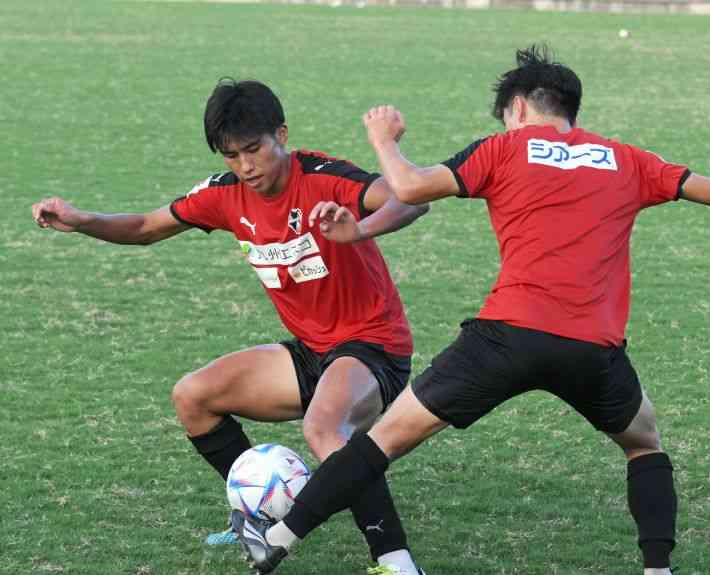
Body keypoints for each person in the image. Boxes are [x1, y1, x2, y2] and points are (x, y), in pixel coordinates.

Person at [229, 45, 710, 575]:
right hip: (592, 349)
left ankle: (276, 537)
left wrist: (383, 138)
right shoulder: (628, 158)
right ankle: (658, 569)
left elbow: (410, 187)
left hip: (505, 338)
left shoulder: (504, 150)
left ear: (520, 108)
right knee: (644, 442)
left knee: (383, 440)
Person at [31, 79, 430, 575]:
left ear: (281, 134)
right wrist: (80, 218)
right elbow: (144, 228)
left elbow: (411, 199)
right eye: (231, 155)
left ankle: (394, 561)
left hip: (373, 347)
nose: (245, 166)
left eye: (254, 149)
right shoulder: (225, 195)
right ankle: (255, 517)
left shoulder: (325, 177)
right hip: (310, 352)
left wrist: (359, 227)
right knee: (193, 396)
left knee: (325, 428)